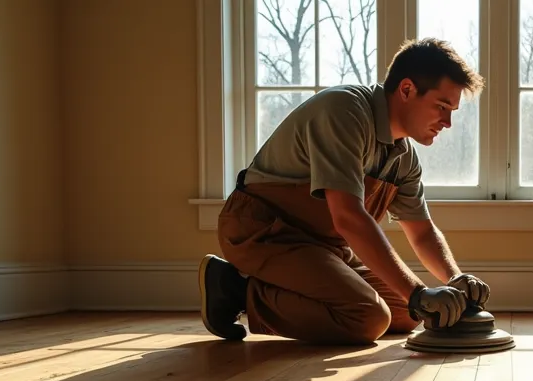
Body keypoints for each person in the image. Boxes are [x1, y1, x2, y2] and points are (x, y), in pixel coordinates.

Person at [197, 38, 492, 345]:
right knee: (368, 317)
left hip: (323, 248)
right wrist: (418, 292)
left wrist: (455, 279)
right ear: (406, 90)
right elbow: (348, 218)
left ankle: (266, 287)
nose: (447, 122)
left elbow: (421, 232)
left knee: (406, 314)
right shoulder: (344, 112)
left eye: (452, 111)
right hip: (263, 233)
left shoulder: (403, 157)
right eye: (442, 106)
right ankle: (234, 289)